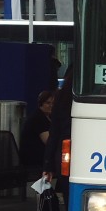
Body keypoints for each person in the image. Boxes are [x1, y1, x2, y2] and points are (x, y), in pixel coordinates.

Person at [42, 65, 74, 203]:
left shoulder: (61, 97)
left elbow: (54, 134)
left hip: (64, 155)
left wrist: (48, 166)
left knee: (69, 197)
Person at [19, 89, 55, 178]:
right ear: (41, 104)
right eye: (48, 103)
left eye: (53, 103)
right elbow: (48, 141)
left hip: (39, 156)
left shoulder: (46, 117)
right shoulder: (38, 119)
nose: (51, 106)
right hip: (34, 158)